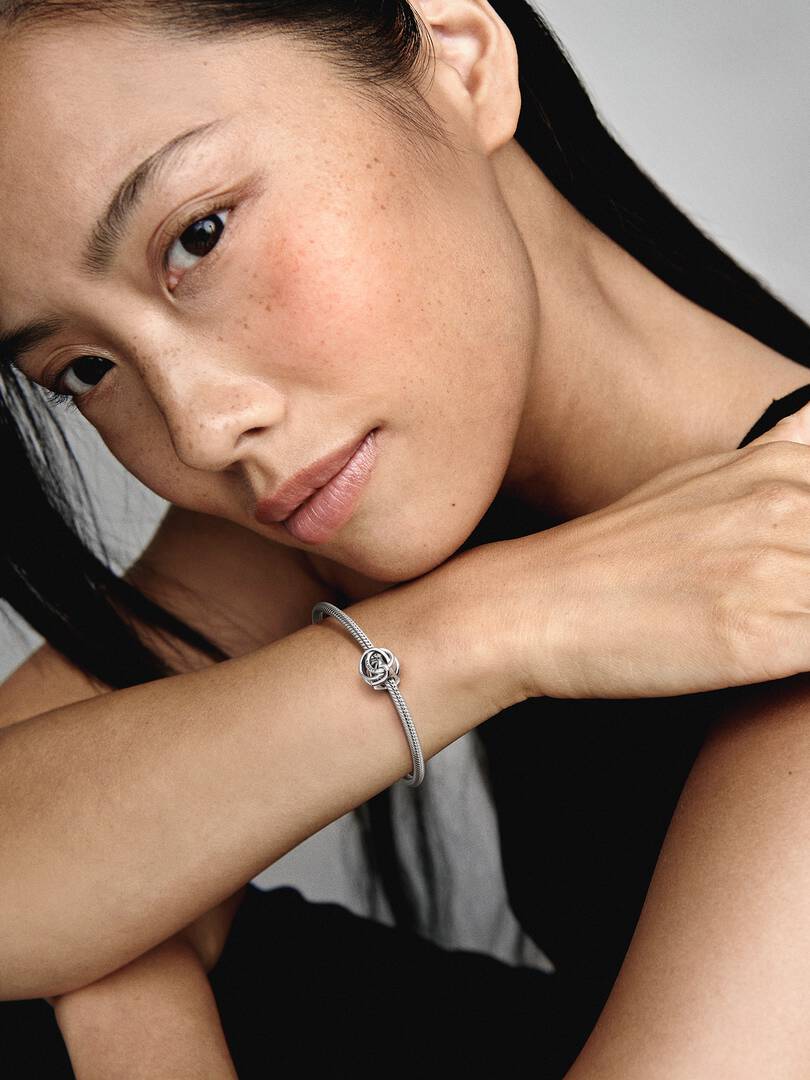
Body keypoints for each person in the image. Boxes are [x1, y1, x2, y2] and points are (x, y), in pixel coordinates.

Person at [3, 1, 810, 1076]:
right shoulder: (338, 488)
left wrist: (104, 937)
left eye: (200, 235)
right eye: (84, 370)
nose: (199, 428)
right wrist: (491, 629)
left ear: (460, 60)